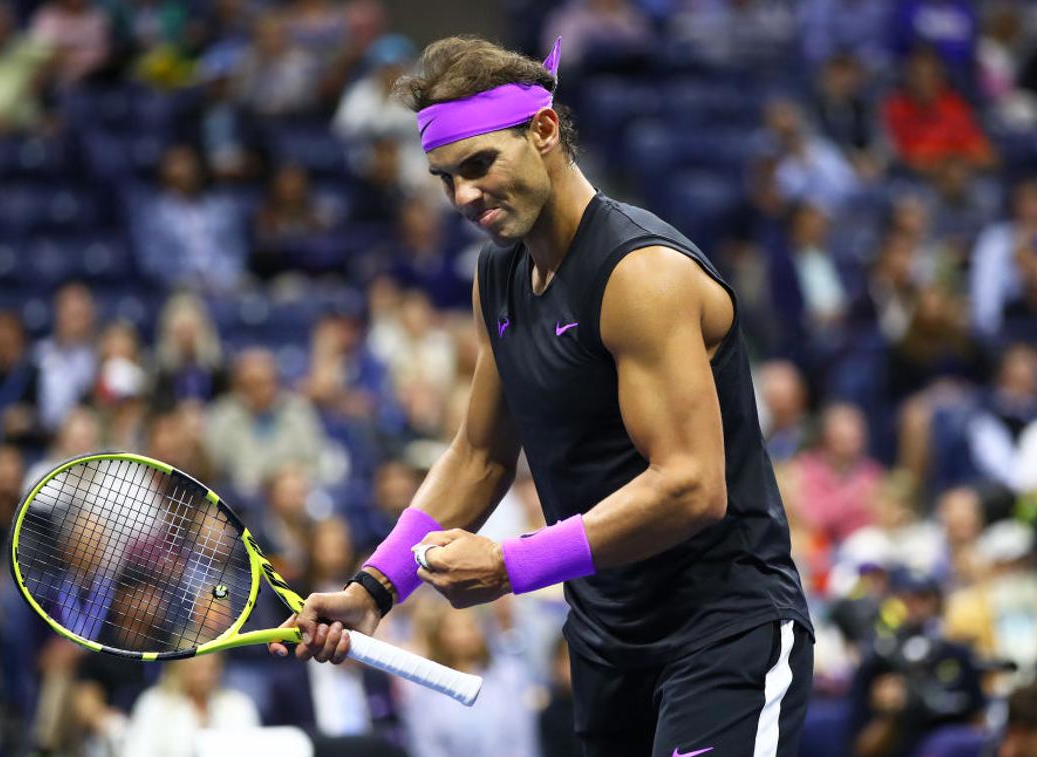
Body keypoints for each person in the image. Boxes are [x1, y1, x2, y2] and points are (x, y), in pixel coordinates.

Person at [271, 36, 813, 756]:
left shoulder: (642, 274)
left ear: (545, 131)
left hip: (726, 629)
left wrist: (507, 564)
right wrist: (375, 589)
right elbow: (480, 454)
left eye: (478, 165)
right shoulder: (496, 276)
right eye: (444, 179)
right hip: (606, 640)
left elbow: (691, 487)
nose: (462, 196)